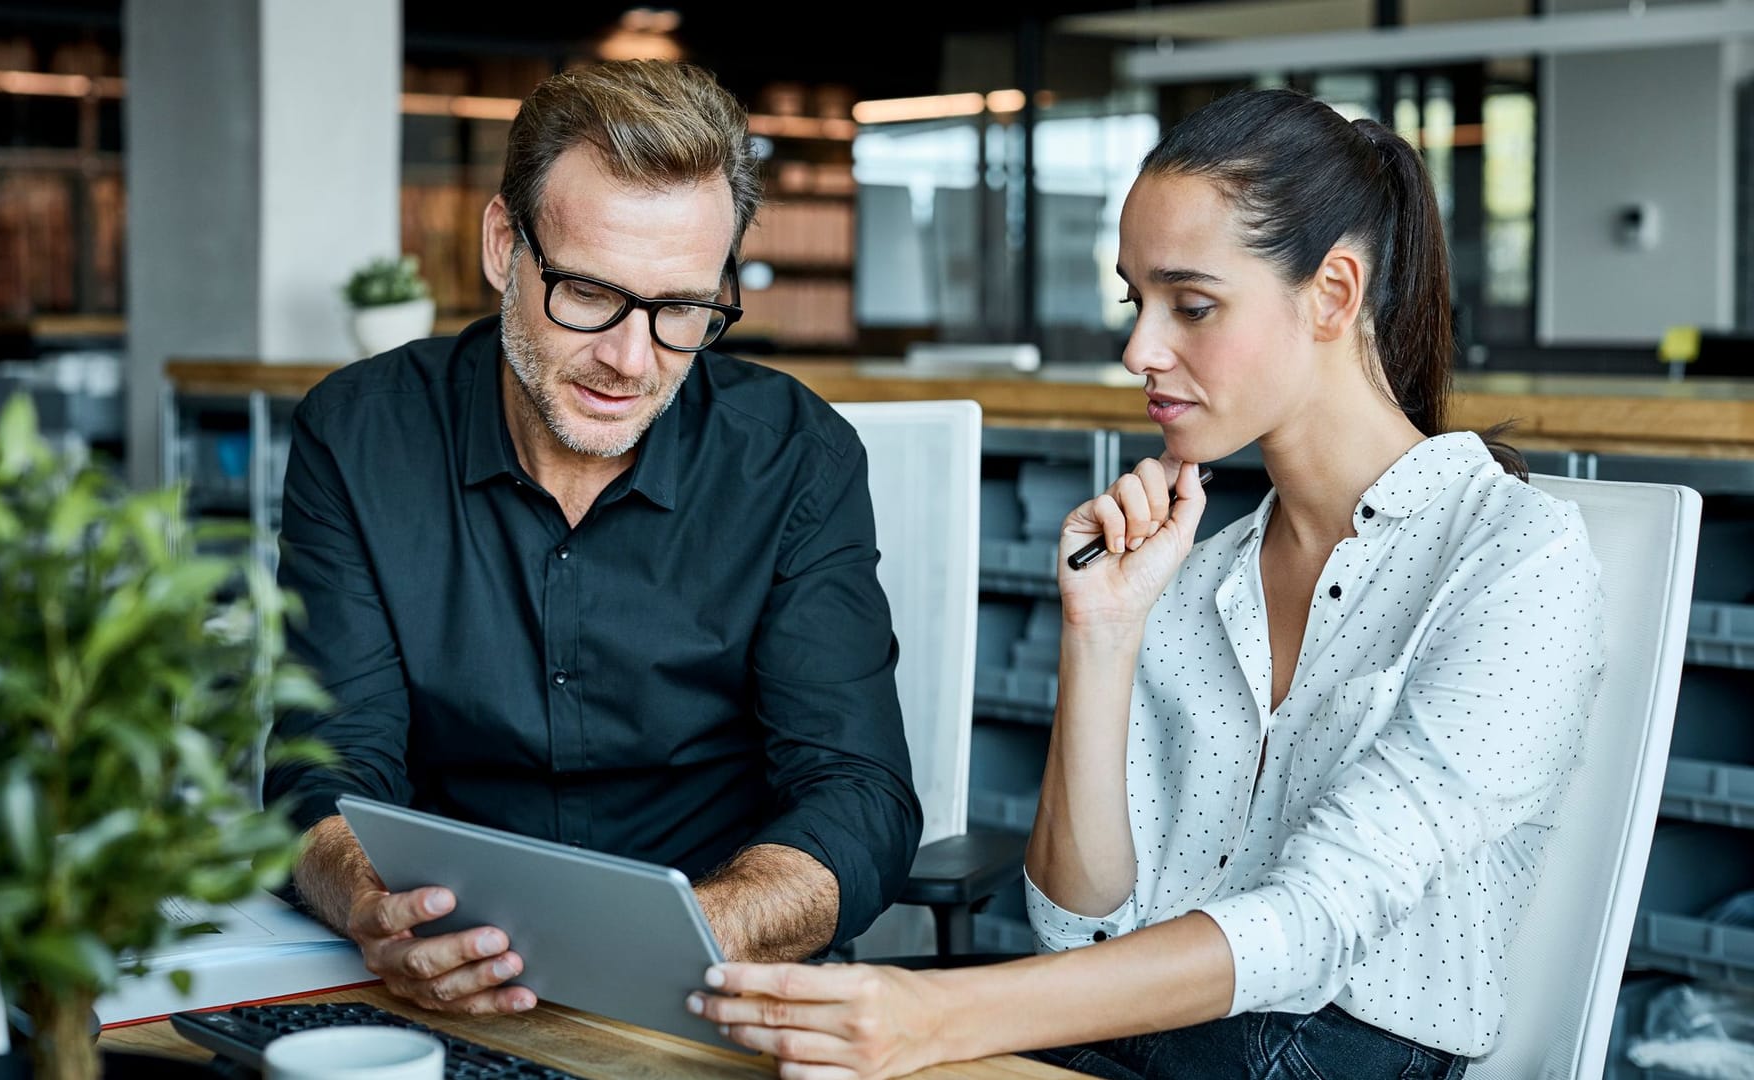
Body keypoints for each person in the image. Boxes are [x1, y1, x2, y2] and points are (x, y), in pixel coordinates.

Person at [686, 88, 1603, 1080]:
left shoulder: (1516, 561)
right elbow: (1075, 924)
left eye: (1191, 305)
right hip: (1134, 1039)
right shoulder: (1194, 571)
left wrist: (943, 1012)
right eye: (1137, 301)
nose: (1138, 351)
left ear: (1334, 295)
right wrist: (1103, 635)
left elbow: (1315, 921)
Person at [263, 59, 922, 1018]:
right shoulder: (359, 436)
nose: (629, 359)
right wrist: (374, 906)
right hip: (438, 971)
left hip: (712, 981)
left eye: (681, 311)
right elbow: (324, 765)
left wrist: (695, 932)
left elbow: (856, 795)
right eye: (586, 293)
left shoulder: (796, 460)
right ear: (503, 245)